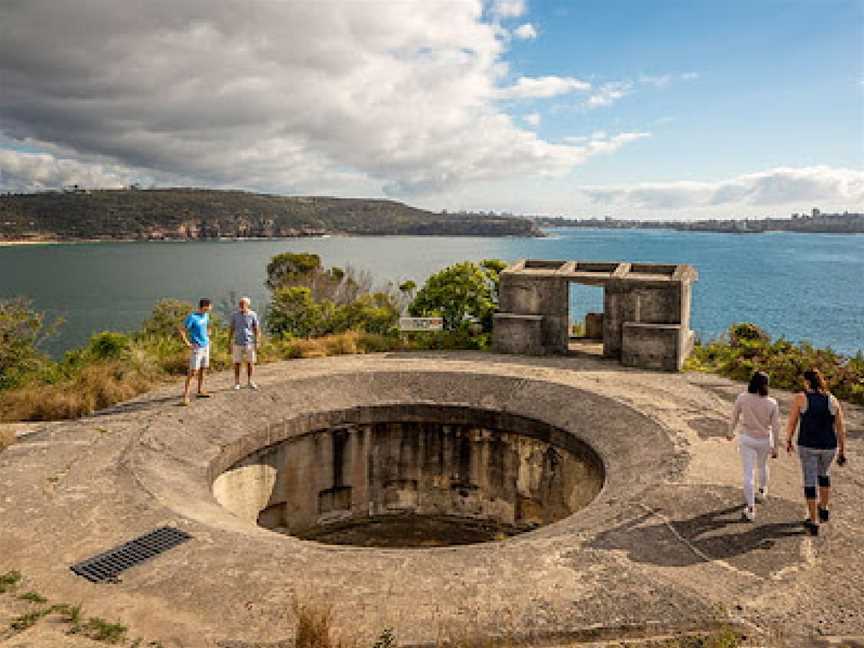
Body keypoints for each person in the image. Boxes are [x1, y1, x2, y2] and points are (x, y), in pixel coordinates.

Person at [785, 368, 847, 536]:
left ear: (807, 381)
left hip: (808, 445)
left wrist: (788, 440)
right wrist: (842, 450)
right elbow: (840, 428)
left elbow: (792, 422)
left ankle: (813, 520)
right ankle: (824, 508)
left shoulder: (801, 398)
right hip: (829, 446)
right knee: (824, 474)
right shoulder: (832, 399)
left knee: (810, 480)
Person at [727, 371, 781, 521]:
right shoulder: (772, 402)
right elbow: (776, 427)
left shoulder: (742, 398)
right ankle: (762, 491)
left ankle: (750, 509)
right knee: (763, 466)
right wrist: (776, 447)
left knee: (748, 473)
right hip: (764, 440)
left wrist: (730, 432)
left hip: (747, 439)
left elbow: (734, 417)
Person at [179, 298, 213, 405]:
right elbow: (182, 330)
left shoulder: (206, 315)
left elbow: (207, 326)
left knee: (203, 369)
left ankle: (200, 390)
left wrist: (208, 334)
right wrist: (188, 343)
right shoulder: (192, 317)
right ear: (204, 306)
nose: (211, 308)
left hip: (206, 346)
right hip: (197, 348)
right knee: (193, 371)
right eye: (209, 306)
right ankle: (185, 396)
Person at [229, 296, 261, 390]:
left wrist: (258, 340)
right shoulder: (235, 315)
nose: (241, 305)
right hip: (237, 343)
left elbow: (256, 328)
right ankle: (237, 382)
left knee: (250, 363)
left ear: (248, 305)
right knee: (237, 363)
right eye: (240, 304)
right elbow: (231, 329)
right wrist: (229, 341)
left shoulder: (253, 315)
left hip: (249, 342)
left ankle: (250, 381)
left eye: (243, 304)